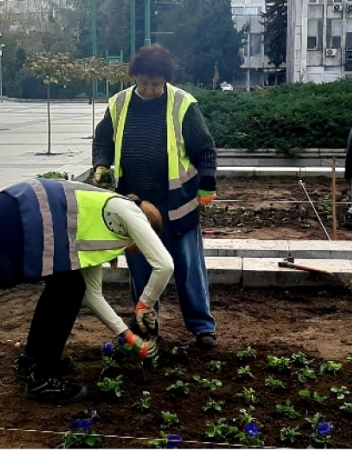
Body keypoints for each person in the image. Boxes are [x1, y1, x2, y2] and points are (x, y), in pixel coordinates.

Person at [0, 178, 174, 405]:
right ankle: (42, 379)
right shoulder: (130, 212)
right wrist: (144, 306)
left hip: (7, 208)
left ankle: (32, 363)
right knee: (68, 287)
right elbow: (165, 266)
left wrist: (129, 336)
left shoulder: (102, 227)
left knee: (66, 285)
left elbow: (92, 296)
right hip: (18, 211)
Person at [91, 44, 219, 349]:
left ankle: (202, 327)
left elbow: (205, 148)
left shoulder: (182, 104)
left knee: (187, 268)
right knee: (141, 269)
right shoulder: (119, 104)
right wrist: (100, 166)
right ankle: (148, 326)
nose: (148, 90)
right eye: (143, 83)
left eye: (156, 84)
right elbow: (102, 141)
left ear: (166, 80)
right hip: (133, 204)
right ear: (135, 77)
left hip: (177, 203)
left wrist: (208, 184)